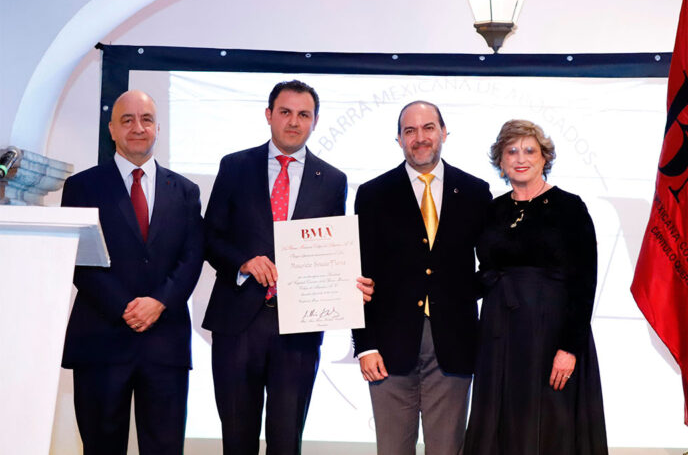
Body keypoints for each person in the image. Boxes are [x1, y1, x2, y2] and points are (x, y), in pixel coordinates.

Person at [202, 80, 373, 455]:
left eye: (303, 114)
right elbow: (210, 236)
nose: (294, 122)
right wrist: (243, 262)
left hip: (300, 329)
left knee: (286, 441)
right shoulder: (235, 166)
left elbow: (333, 250)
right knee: (237, 440)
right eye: (285, 112)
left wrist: (348, 282)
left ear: (315, 121)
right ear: (269, 115)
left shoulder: (332, 180)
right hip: (237, 324)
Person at [60, 90, 204, 454]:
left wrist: (159, 302)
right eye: (127, 120)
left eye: (146, 119)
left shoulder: (185, 191)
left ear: (158, 128)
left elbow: (192, 257)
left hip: (165, 343)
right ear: (111, 129)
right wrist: (124, 307)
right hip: (101, 341)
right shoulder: (82, 187)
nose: (138, 127)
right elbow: (77, 258)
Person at [353, 100, 492, 454]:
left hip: (455, 344)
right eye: (410, 130)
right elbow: (358, 275)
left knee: (447, 449)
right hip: (387, 347)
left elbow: (492, 266)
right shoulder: (373, 194)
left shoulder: (476, 192)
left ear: (444, 132)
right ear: (398, 139)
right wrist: (365, 345)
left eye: (428, 128)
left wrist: (461, 294)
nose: (420, 137)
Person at [462, 119, 608, 454]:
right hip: (499, 336)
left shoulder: (570, 207)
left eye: (530, 150)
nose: (520, 158)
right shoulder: (493, 210)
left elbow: (584, 282)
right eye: (511, 151)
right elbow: (486, 272)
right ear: (500, 161)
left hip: (551, 337)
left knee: (551, 428)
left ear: (545, 158)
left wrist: (569, 349)